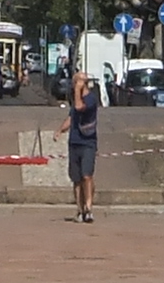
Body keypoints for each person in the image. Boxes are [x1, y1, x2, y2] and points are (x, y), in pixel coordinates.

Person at [65, 63, 101, 222]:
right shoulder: (75, 99)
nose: (73, 86)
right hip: (74, 142)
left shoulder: (90, 99)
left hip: (88, 142)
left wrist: (78, 91)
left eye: (76, 82)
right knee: (76, 178)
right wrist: (60, 130)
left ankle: (89, 207)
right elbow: (72, 115)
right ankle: (79, 210)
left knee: (87, 175)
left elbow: (80, 107)